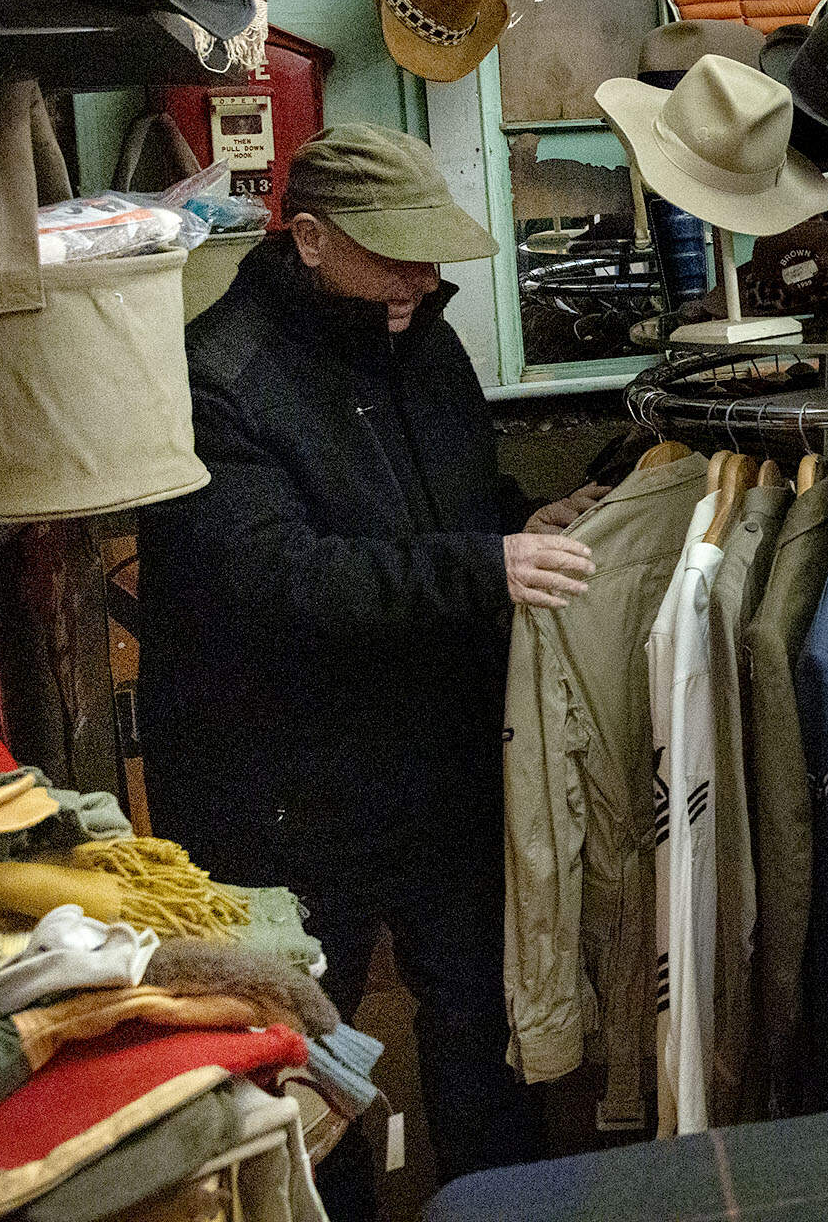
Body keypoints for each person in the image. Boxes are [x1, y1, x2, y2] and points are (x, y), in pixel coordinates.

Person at [138, 125, 608, 1219]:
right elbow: (276, 577)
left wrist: (511, 520)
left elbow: (435, 492)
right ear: (308, 237)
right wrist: (480, 564)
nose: (423, 275)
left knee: (482, 1025)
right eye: (394, 252)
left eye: (430, 252)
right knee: (310, 1051)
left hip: (437, 756)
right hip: (283, 787)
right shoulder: (223, 377)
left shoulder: (416, 335)